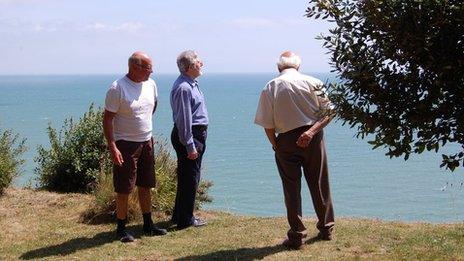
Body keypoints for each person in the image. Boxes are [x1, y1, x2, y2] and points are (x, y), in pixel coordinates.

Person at [254, 51, 335, 249]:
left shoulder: (271, 86)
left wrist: (276, 144)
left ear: (279, 67)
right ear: (298, 66)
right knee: (319, 183)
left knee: (291, 188)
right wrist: (311, 132)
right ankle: (326, 228)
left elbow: (268, 124)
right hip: (313, 139)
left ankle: (297, 236)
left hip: (286, 140)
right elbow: (330, 112)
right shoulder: (314, 82)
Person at [103, 51, 167, 243]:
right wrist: (112, 146)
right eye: (148, 68)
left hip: (146, 140)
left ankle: (148, 224)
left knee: (146, 184)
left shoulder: (151, 84)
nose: (152, 72)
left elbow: (152, 107)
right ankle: (121, 229)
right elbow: (107, 119)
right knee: (124, 187)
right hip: (125, 144)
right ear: (135, 67)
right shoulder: (117, 88)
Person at [170, 50, 208, 229]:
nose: (202, 64)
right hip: (190, 135)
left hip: (193, 134)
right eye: (199, 62)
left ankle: (180, 215)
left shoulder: (191, 84)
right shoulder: (184, 87)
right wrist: (190, 145)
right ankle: (186, 219)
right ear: (191, 66)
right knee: (190, 177)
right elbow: (184, 119)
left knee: (188, 176)